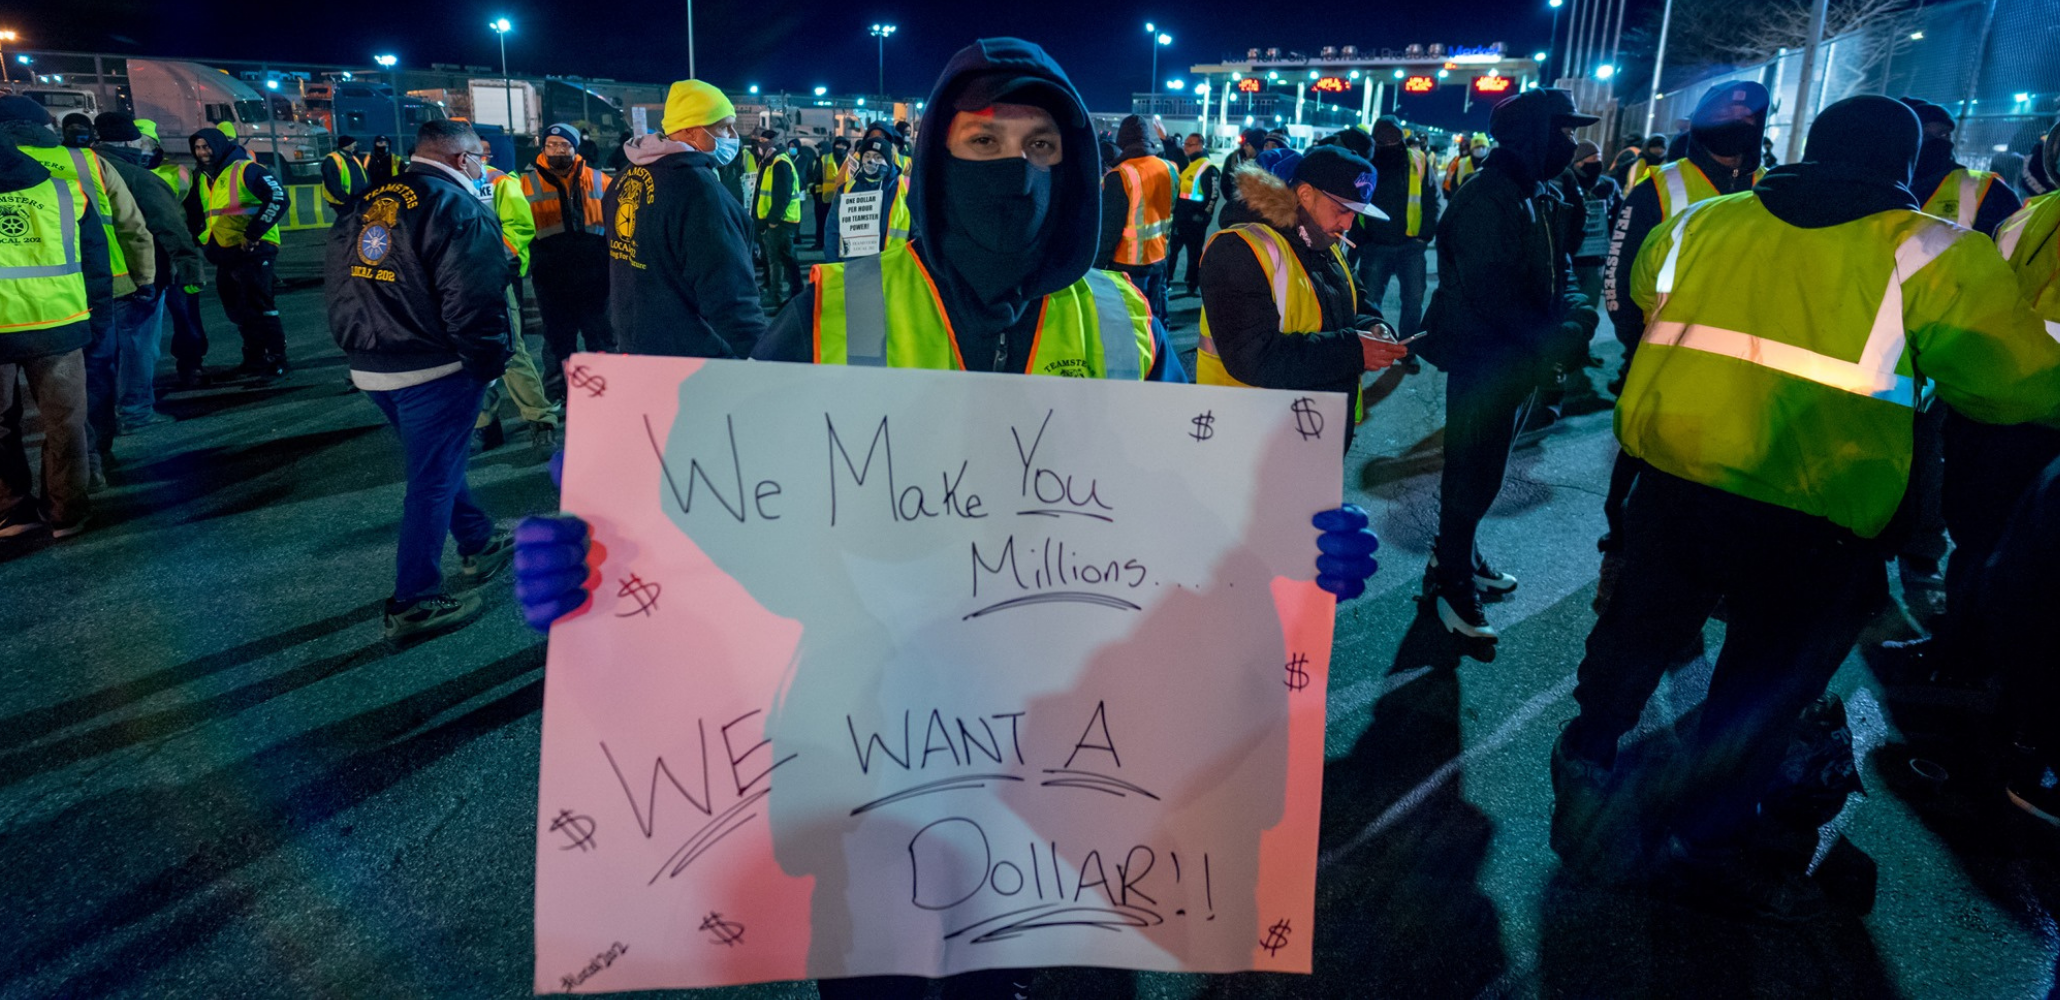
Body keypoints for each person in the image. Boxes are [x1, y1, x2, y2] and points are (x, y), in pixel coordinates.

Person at [514, 38, 1382, 1000]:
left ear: (1077, 167)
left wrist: (1298, 544)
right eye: (982, 142)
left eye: (1042, 147)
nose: (1015, 173)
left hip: (1074, 778)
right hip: (877, 769)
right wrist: (596, 553)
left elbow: (1193, 508)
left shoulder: (1120, 319)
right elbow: (710, 493)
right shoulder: (836, 314)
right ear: (935, 161)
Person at [1550, 96, 2060, 920]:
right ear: (1903, 164)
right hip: (1817, 512)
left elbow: (1646, 289)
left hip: (1677, 483)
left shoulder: (1705, 222)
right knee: (1760, 683)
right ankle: (1710, 838)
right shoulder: (1933, 252)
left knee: (1637, 632)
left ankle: (1586, 754)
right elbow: (2011, 383)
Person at [1416, 89, 1601, 640]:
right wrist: (1556, 337)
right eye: (1562, 131)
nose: (1570, 143)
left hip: (1519, 360)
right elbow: (1494, 293)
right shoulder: (1487, 197)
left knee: (1487, 472)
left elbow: (1559, 269)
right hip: (1483, 360)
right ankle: (1451, 582)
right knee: (1470, 471)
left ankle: (1459, 554)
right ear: (1532, 135)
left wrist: (1577, 317)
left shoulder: (1538, 191)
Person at [327, 119, 515, 640]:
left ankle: (478, 539)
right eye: (479, 156)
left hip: (371, 360)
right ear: (461, 159)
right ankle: (415, 600)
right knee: (430, 480)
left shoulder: (369, 199)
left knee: (439, 463)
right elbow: (473, 300)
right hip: (434, 365)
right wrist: (487, 365)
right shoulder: (456, 208)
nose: (484, 166)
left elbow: (341, 281)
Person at [1598, 84, 1768, 555]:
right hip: (1662, 354)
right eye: (1726, 113)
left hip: (1743, 360)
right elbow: (1620, 270)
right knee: (1643, 457)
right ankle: (1624, 539)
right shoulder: (1662, 184)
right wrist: (1637, 342)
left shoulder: (1772, 188)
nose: (1738, 123)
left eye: (1748, 116)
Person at [1196, 145, 1409, 449]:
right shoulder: (1239, 249)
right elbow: (1252, 356)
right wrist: (1353, 350)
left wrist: (1375, 325)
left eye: (1357, 214)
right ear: (1306, 194)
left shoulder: (1327, 243)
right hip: (1255, 437)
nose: (1349, 224)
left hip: (1315, 430)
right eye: (1343, 210)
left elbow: (1355, 301)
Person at [0, 98, 158, 492]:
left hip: (6, 312)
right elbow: (132, 226)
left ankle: (12, 505)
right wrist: (144, 278)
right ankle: (89, 471)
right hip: (87, 299)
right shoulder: (88, 163)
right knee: (83, 395)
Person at [605, 79, 766, 359]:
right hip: (692, 353)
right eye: (722, 127)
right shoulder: (697, 190)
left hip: (637, 340)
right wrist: (759, 354)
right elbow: (728, 290)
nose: (732, 135)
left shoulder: (623, 179)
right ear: (691, 130)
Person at [0, 139, 110, 539]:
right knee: (66, 424)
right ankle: (67, 513)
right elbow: (97, 265)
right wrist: (99, 323)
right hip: (61, 322)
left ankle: (12, 511)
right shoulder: (64, 192)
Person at [92, 110, 202, 433]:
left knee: (100, 352)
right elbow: (169, 226)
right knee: (139, 346)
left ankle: (100, 416)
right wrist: (190, 266)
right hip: (137, 277)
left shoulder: (79, 169)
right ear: (129, 139)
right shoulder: (137, 176)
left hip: (84, 279)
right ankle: (135, 412)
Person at [476, 143, 563, 454]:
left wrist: (488, 261)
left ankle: (541, 419)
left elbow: (520, 227)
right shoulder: (443, 183)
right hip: (455, 283)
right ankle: (484, 425)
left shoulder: (498, 181)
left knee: (511, 351)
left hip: (492, 277)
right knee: (471, 355)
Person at [190, 125, 291, 382]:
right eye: (198, 148)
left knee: (260, 305)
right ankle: (254, 358)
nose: (202, 152)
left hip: (254, 249)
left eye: (207, 146)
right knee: (237, 308)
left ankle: (276, 358)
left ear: (219, 145)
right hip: (225, 251)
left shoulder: (246, 169)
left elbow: (278, 197)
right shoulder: (202, 177)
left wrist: (254, 233)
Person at [522, 122, 615, 401]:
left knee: (602, 337)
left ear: (575, 149)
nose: (558, 150)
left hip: (596, 275)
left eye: (565, 145)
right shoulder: (524, 184)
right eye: (552, 145)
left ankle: (609, 389)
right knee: (558, 340)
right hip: (551, 277)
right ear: (543, 147)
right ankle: (559, 394)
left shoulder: (600, 180)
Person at [137, 118, 212, 391]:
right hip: (141, 256)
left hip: (174, 255)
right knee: (140, 323)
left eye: (146, 142)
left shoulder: (178, 173)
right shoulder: (119, 171)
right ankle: (139, 377)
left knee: (186, 315)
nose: (142, 148)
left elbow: (195, 215)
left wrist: (190, 249)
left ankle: (192, 364)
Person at [1356, 115, 1441, 346]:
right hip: (1375, 245)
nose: (1389, 143)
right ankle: (1374, 346)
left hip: (1411, 246)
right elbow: (1355, 203)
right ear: (1375, 139)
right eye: (1383, 138)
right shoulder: (1365, 162)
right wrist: (1362, 240)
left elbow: (1431, 198)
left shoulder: (1418, 160)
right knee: (1370, 302)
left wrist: (1425, 235)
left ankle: (1407, 349)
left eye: (1393, 137)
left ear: (1401, 136)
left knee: (1413, 301)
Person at [1095, 114, 1177, 321]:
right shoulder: (1169, 168)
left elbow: (1109, 229)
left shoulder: (1120, 175)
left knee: (1132, 321)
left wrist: (1097, 266)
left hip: (1127, 263)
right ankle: (1159, 350)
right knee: (1156, 318)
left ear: (1123, 142)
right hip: (1160, 256)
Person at [1903, 96, 2021, 235]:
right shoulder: (1884, 186)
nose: (1937, 142)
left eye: (1944, 134)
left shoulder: (1987, 189)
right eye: (1924, 135)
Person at [823, 135, 910, 262]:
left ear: (888, 160)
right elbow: (833, 229)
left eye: (878, 157)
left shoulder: (905, 187)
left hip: (895, 263)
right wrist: (833, 263)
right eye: (867, 156)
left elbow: (918, 231)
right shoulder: (847, 189)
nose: (871, 161)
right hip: (856, 264)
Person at [752, 128, 803, 307]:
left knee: (778, 261)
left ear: (770, 145)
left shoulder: (779, 163)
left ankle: (778, 297)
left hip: (781, 222)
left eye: (762, 143)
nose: (758, 146)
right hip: (778, 221)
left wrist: (773, 220)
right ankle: (795, 293)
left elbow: (783, 195)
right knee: (785, 259)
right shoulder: (771, 161)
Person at [1167, 132, 1218, 297]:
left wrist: (1204, 217)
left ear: (1199, 146)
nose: (1185, 147)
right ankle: (1167, 281)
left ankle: (1192, 284)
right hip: (1180, 217)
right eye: (1185, 144)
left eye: (1189, 144)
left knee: (1194, 255)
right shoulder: (1189, 164)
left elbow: (1213, 195)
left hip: (1196, 221)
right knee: (1172, 252)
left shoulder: (1207, 168)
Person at [1216, 127, 1271, 227]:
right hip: (1238, 212)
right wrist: (1234, 200)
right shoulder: (1234, 158)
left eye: (1247, 144)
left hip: (1258, 217)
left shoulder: (1266, 165)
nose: (1244, 147)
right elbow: (1225, 183)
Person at [812, 136, 849, 249]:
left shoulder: (850, 160)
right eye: (838, 145)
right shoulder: (825, 158)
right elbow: (817, 177)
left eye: (843, 145)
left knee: (841, 225)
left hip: (844, 199)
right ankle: (820, 243)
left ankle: (839, 246)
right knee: (822, 222)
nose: (840, 147)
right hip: (825, 198)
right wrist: (818, 195)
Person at [321, 134, 369, 214]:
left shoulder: (353, 158)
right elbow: (331, 182)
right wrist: (345, 198)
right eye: (353, 144)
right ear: (347, 145)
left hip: (355, 200)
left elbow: (363, 175)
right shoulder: (332, 160)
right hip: (343, 202)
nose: (355, 146)